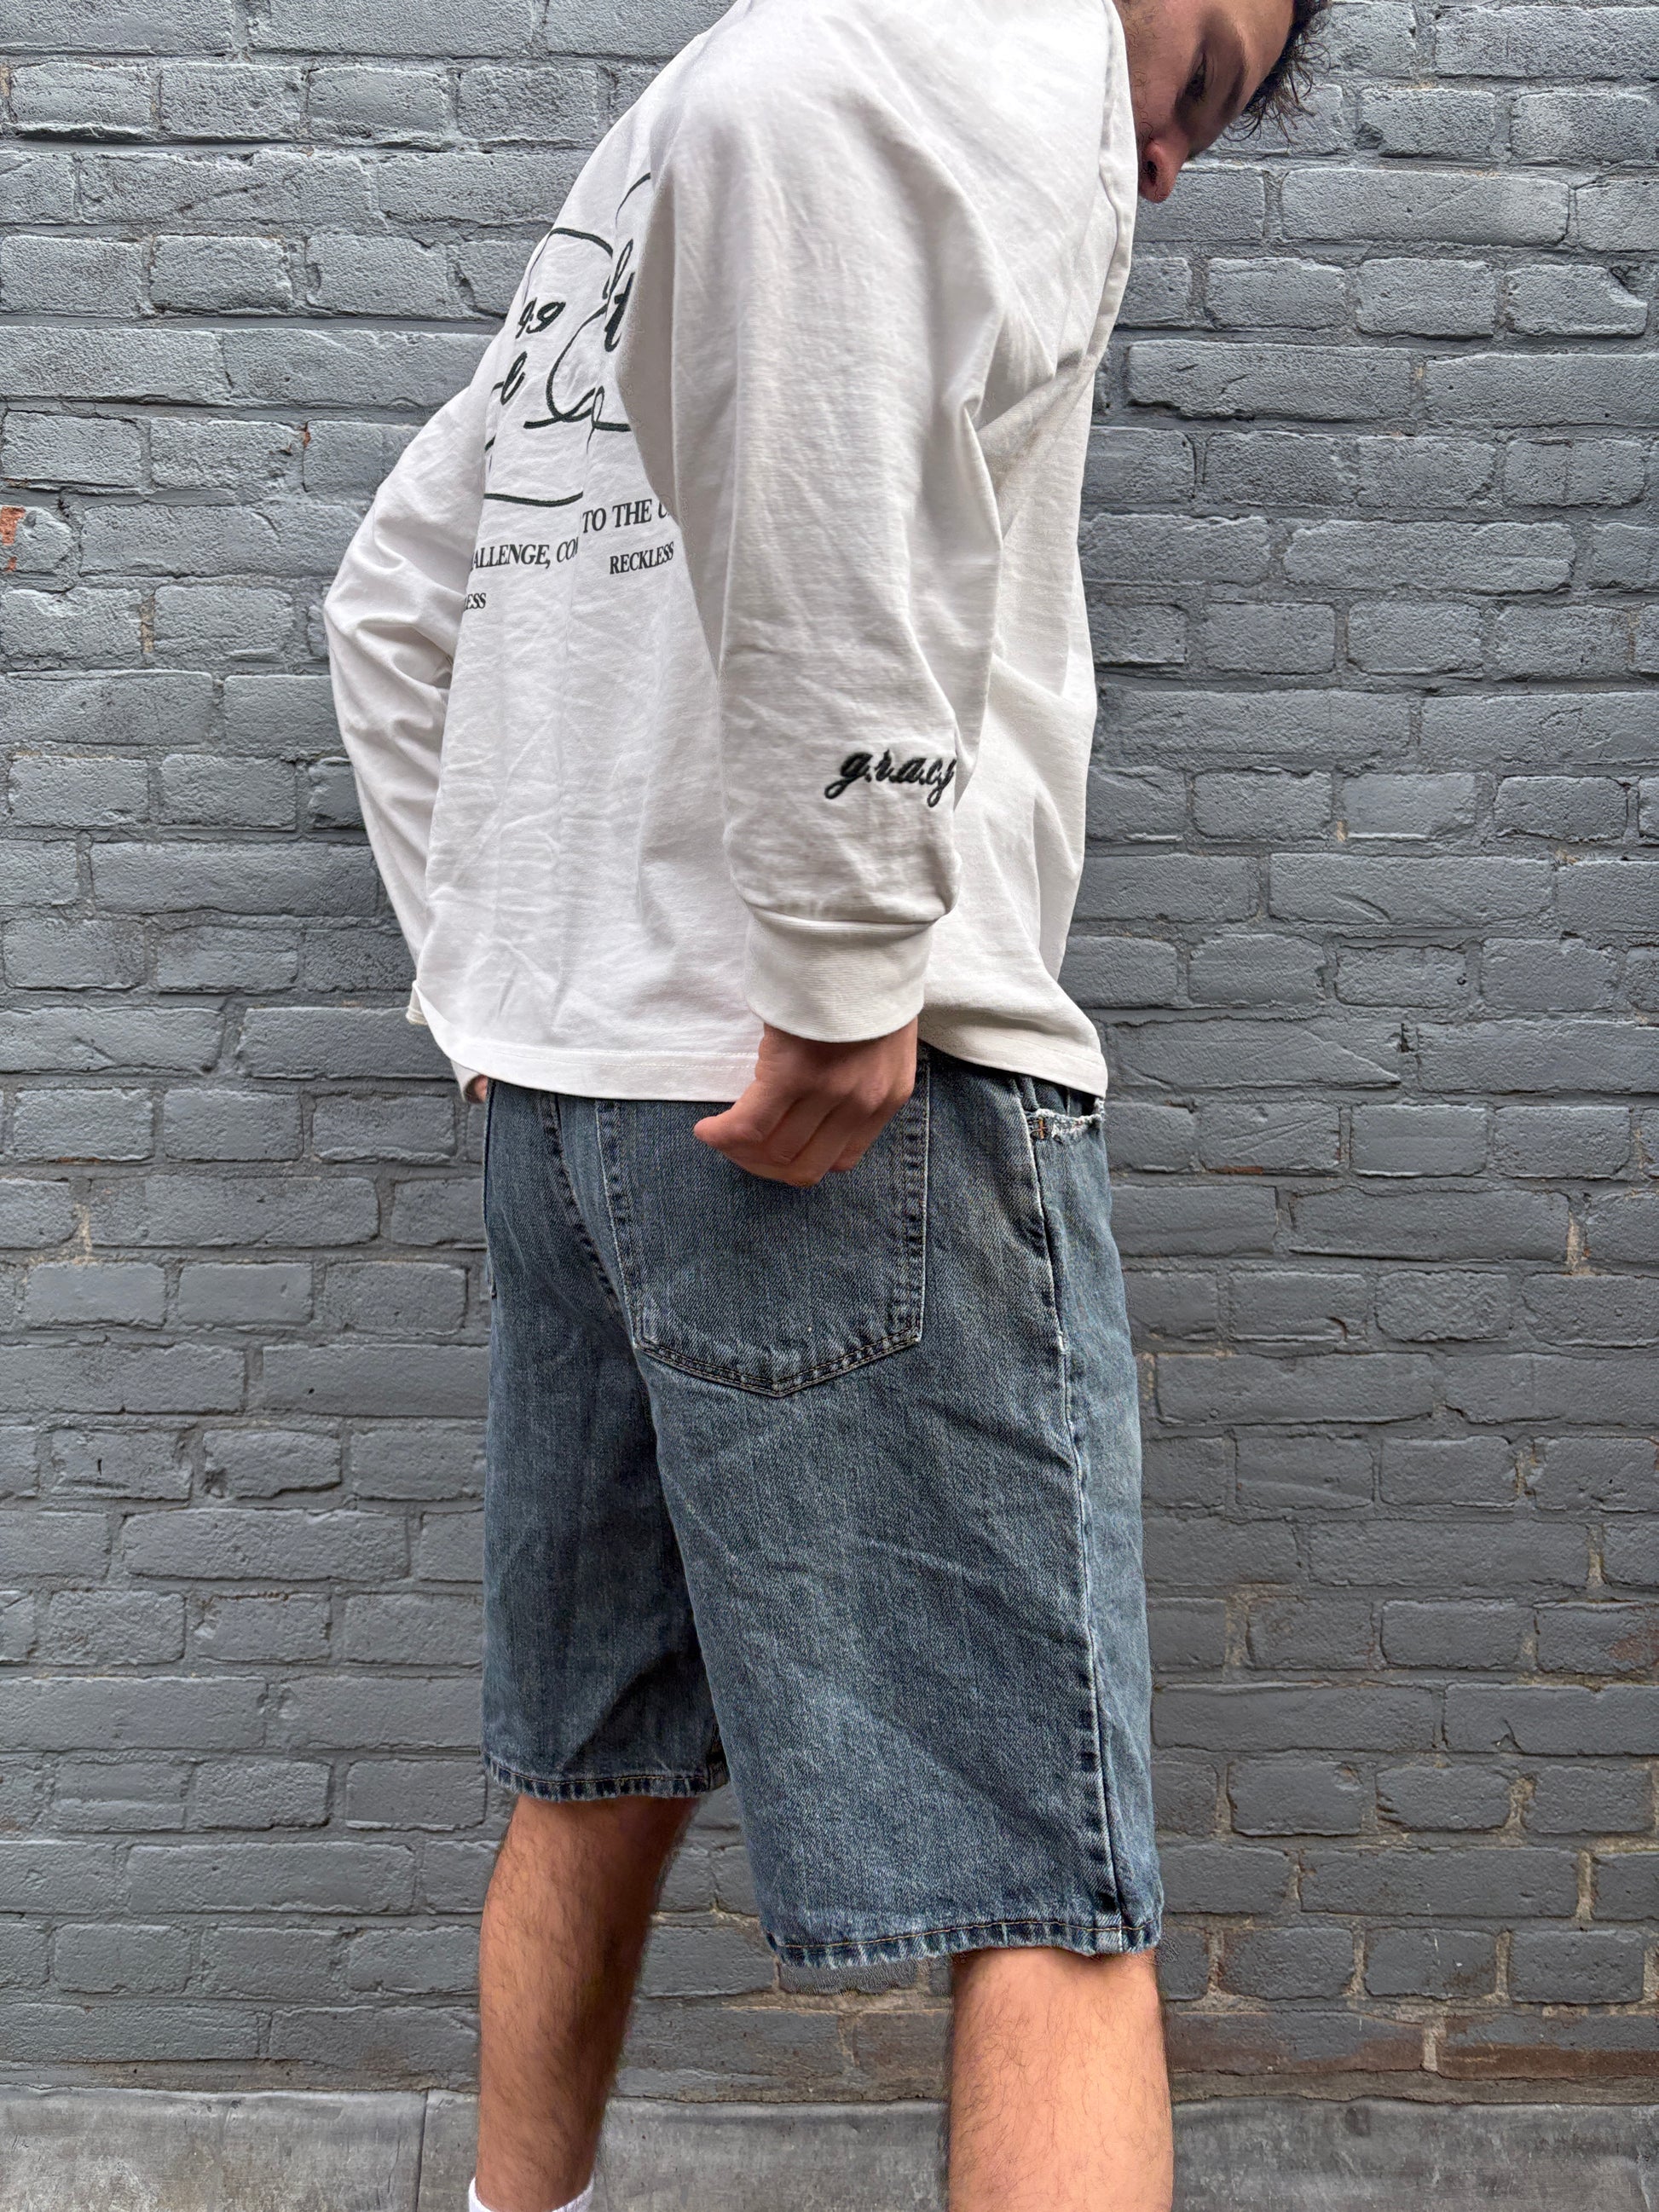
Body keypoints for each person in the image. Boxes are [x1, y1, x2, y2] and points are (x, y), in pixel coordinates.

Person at [323, 0, 1321, 2202]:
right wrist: (852, 958)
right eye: (1198, 91)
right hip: (855, 1112)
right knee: (1048, 1878)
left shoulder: (666, 152)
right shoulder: (950, 48)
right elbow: (805, 114)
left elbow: (392, 596)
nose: (1163, 160)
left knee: (590, 1767)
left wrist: (493, 979)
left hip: (577, 1104)